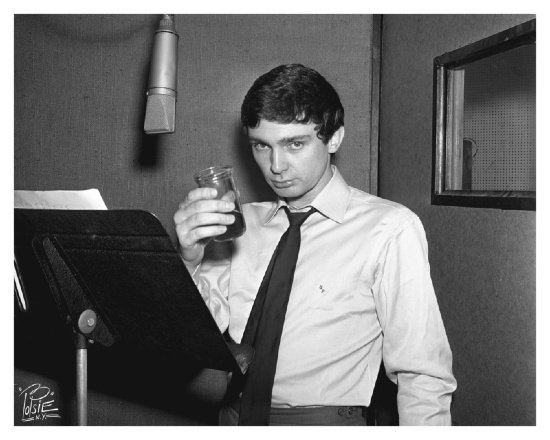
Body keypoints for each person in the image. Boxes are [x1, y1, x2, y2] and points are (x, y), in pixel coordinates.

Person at [174, 64, 457, 426]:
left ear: (334, 138)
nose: (276, 165)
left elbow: (423, 375)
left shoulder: (389, 228)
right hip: (232, 418)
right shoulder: (237, 224)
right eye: (262, 145)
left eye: (295, 143)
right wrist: (188, 260)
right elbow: (190, 340)